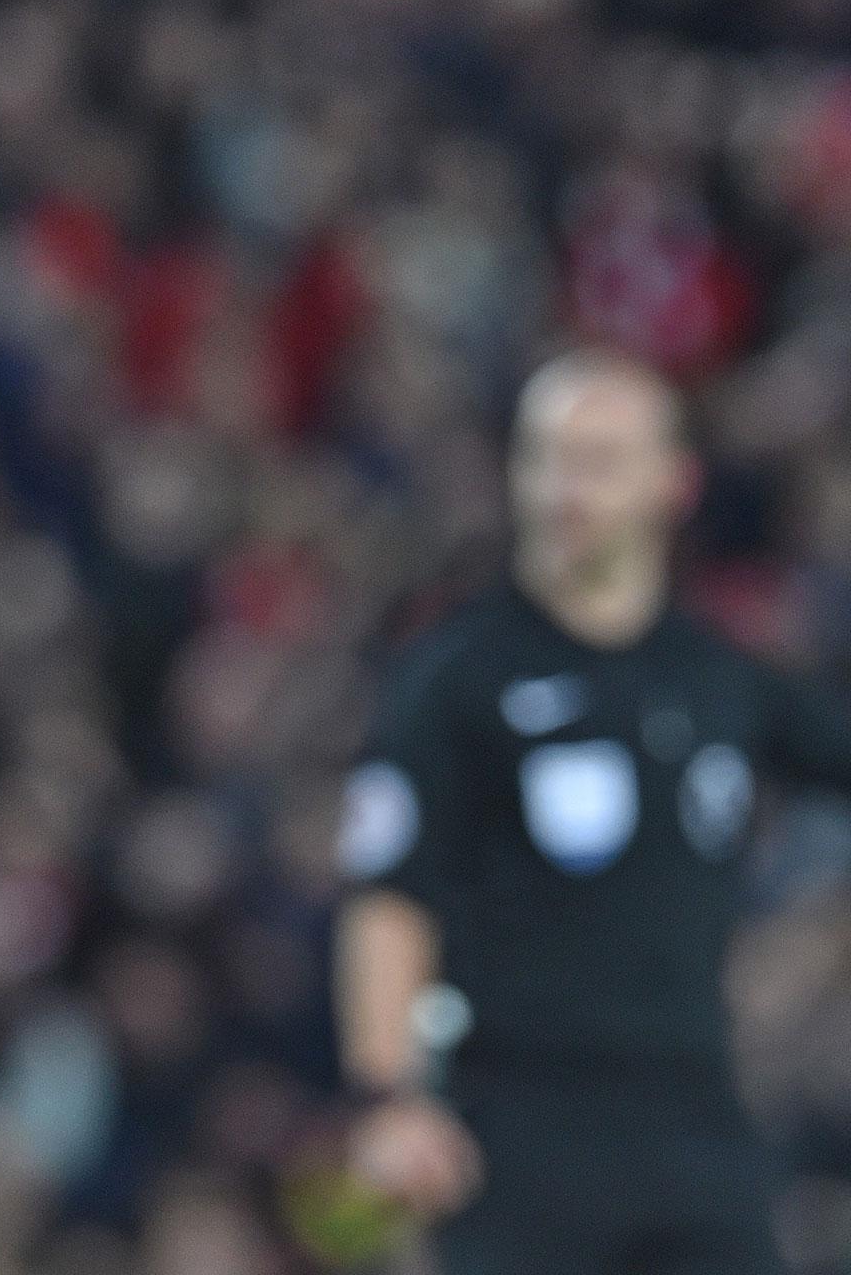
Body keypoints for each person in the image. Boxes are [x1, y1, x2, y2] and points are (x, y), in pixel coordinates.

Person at [332, 348, 851, 1275]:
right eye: (546, 457)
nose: (565, 489)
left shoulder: (716, 679)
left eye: (602, 461)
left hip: (695, 1114)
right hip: (520, 1125)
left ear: (674, 483)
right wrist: (388, 1098)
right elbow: (388, 892)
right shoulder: (455, 678)